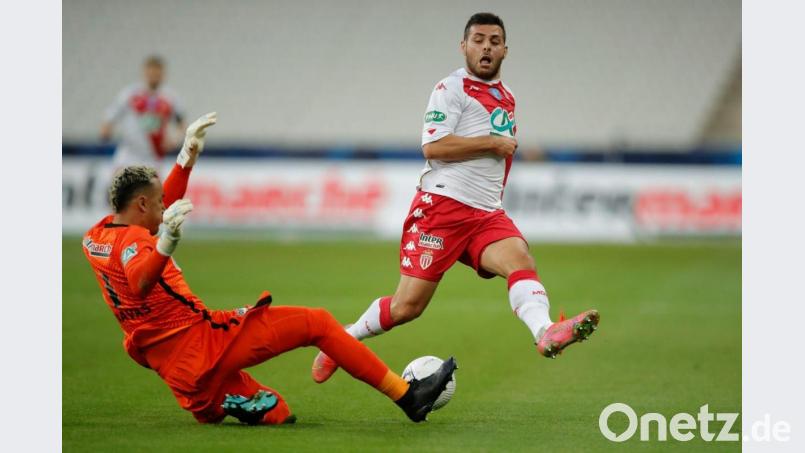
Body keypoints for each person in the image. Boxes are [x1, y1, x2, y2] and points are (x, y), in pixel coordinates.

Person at [82, 112, 457, 425]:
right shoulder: (138, 243)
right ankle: (409, 396)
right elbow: (141, 281)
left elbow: (142, 246)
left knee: (279, 412)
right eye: (161, 203)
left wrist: (186, 158)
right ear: (143, 204)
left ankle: (220, 403)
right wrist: (166, 244)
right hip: (204, 343)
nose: (168, 207)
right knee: (318, 323)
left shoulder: (97, 238)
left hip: (177, 373)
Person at [312, 12, 599, 384]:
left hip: (484, 214)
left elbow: (498, 155)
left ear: (505, 51)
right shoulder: (451, 89)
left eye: (494, 41)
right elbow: (433, 146)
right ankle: (343, 340)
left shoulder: (507, 96)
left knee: (520, 259)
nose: (486, 47)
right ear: (464, 46)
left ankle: (545, 332)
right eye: (478, 40)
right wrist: (492, 143)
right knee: (406, 308)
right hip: (442, 210)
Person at [100, 55, 187, 169]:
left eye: (157, 73)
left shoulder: (170, 98)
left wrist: (174, 140)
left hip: (153, 157)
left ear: (163, 74)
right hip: (129, 154)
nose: (154, 76)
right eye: (151, 72)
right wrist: (106, 129)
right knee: (119, 184)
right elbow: (110, 116)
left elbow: (182, 125)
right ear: (144, 72)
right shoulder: (130, 94)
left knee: (153, 186)